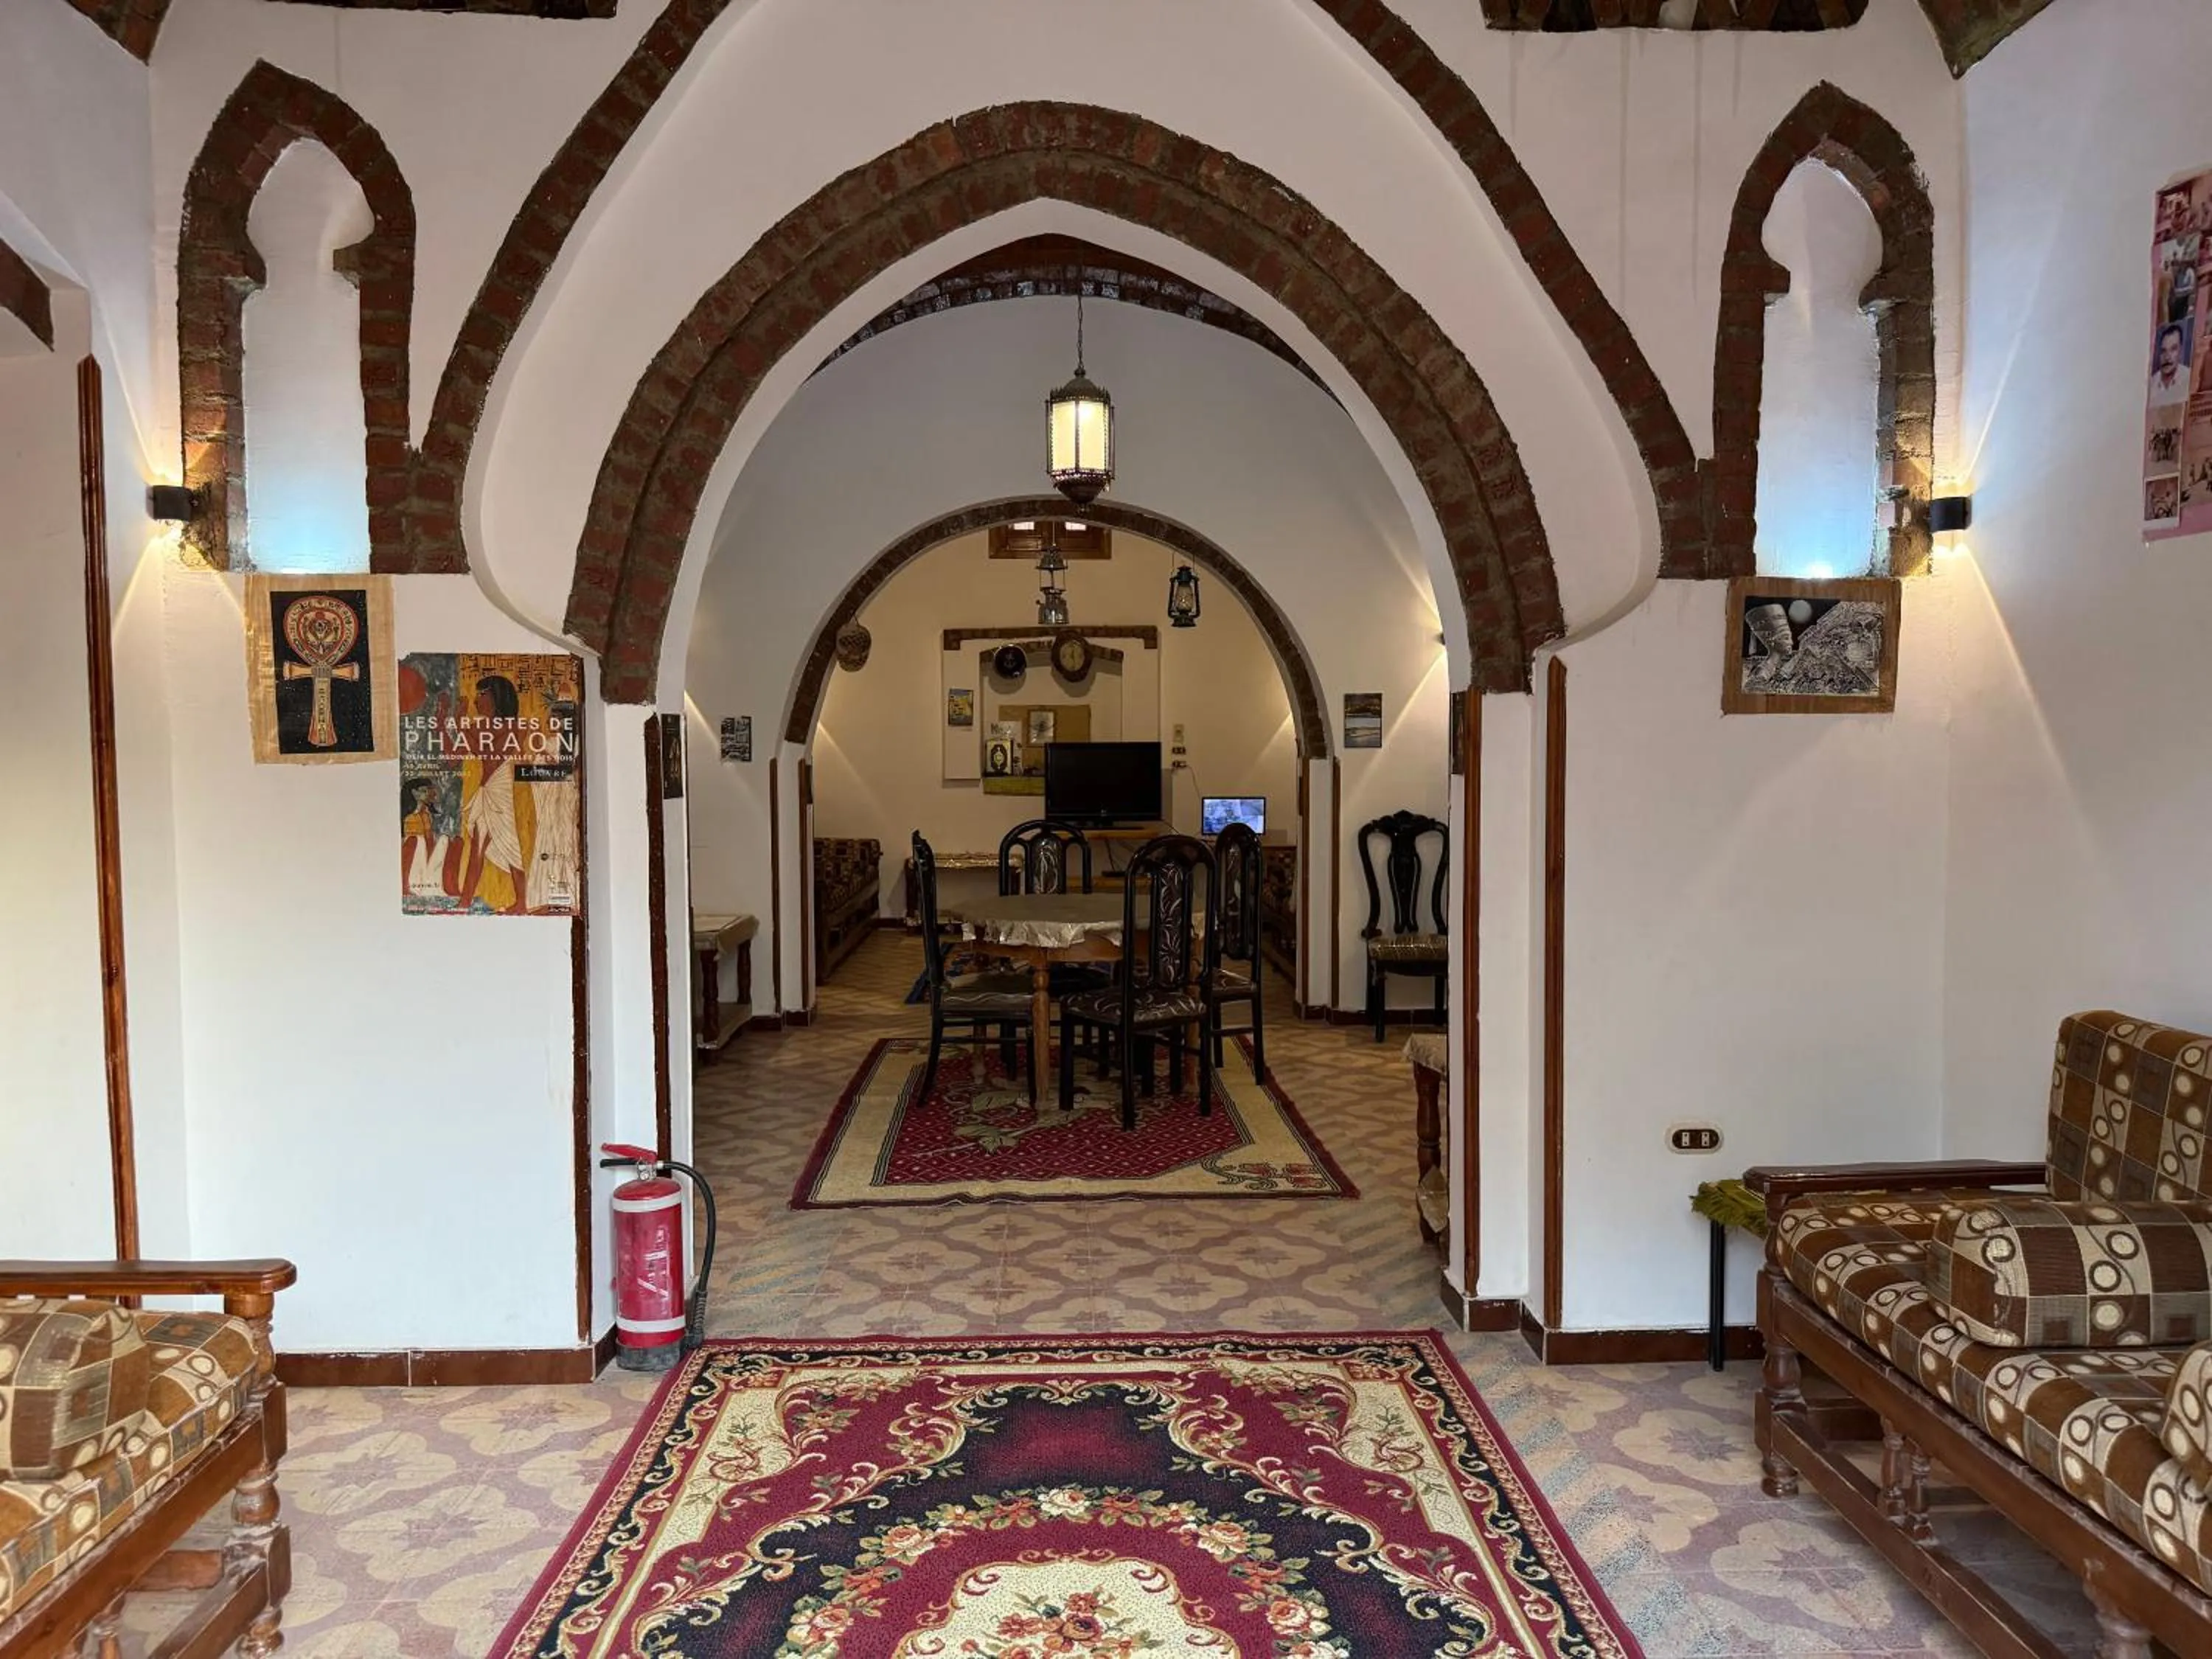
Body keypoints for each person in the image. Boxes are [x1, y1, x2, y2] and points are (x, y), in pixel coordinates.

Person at [452, 672, 537, 914]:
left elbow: (489, 754)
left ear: (497, 697)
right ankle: (466, 901)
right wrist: (462, 725)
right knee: (477, 849)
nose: (477, 700)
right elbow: (478, 751)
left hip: (500, 793)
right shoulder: (483, 726)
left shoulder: (515, 726)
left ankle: (521, 902)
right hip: (486, 790)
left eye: (482, 695)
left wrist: (461, 725)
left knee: (510, 847)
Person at [401, 776, 453, 905]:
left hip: (427, 859)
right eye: (424, 791)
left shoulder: (427, 815)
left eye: (428, 790)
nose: (428, 794)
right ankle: (418, 886)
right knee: (419, 841)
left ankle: (432, 884)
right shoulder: (410, 818)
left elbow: (430, 842)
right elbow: (411, 846)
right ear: (414, 793)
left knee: (444, 840)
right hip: (415, 864)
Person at [2150, 324, 2190, 403]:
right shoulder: (2151, 384)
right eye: (2163, 351)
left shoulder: (2189, 377)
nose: (2167, 357)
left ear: (2180, 351)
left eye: (2173, 349)